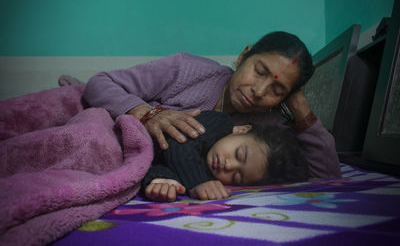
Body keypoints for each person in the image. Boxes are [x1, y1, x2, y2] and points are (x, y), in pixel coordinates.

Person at [83, 31, 341, 179]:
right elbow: (98, 83)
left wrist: (301, 108)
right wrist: (148, 113)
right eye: (259, 71)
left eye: (277, 90)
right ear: (243, 56)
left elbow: (326, 176)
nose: (259, 91)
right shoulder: (186, 69)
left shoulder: (267, 129)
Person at [142, 110, 309, 202]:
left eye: (236, 177)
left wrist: (162, 181)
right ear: (242, 130)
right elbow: (179, 144)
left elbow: (157, 166)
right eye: (239, 154)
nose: (229, 166)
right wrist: (199, 182)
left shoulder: (208, 173)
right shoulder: (218, 122)